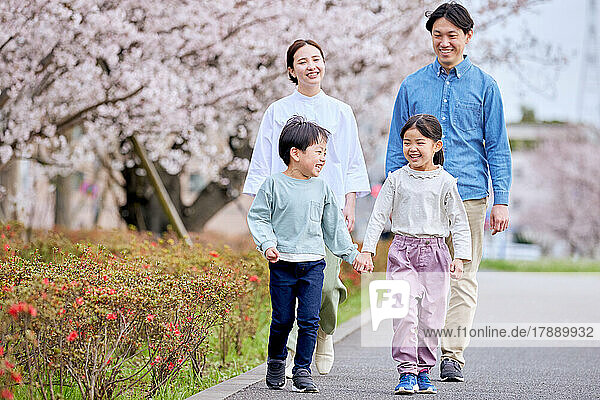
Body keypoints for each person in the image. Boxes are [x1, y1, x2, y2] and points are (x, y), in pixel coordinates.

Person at [385, 3, 512, 382]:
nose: (444, 42)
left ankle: (452, 353)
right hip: (416, 196)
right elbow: (396, 144)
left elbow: (497, 146)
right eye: (437, 35)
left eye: (452, 35)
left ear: (467, 37)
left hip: (469, 193)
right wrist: (392, 195)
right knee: (412, 279)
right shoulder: (411, 85)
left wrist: (501, 198)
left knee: (463, 274)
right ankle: (411, 354)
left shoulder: (485, 86)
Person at [243, 39, 370, 377]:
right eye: (302, 61)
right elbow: (264, 162)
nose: (311, 66)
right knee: (287, 291)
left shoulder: (340, 111)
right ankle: (289, 351)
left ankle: (324, 333)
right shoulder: (277, 111)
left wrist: (350, 204)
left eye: (317, 59)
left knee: (327, 286)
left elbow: (351, 161)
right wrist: (263, 211)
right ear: (291, 70)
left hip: (328, 211)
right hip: (287, 214)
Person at [357, 114, 471, 395]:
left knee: (432, 316)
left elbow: (458, 221)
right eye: (407, 142)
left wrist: (461, 257)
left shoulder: (445, 182)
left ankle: (424, 370)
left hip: (436, 254)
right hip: (402, 252)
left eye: (420, 142)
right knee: (404, 313)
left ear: (437, 146)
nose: (412, 148)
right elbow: (378, 216)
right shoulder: (396, 179)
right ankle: (406, 371)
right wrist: (368, 250)